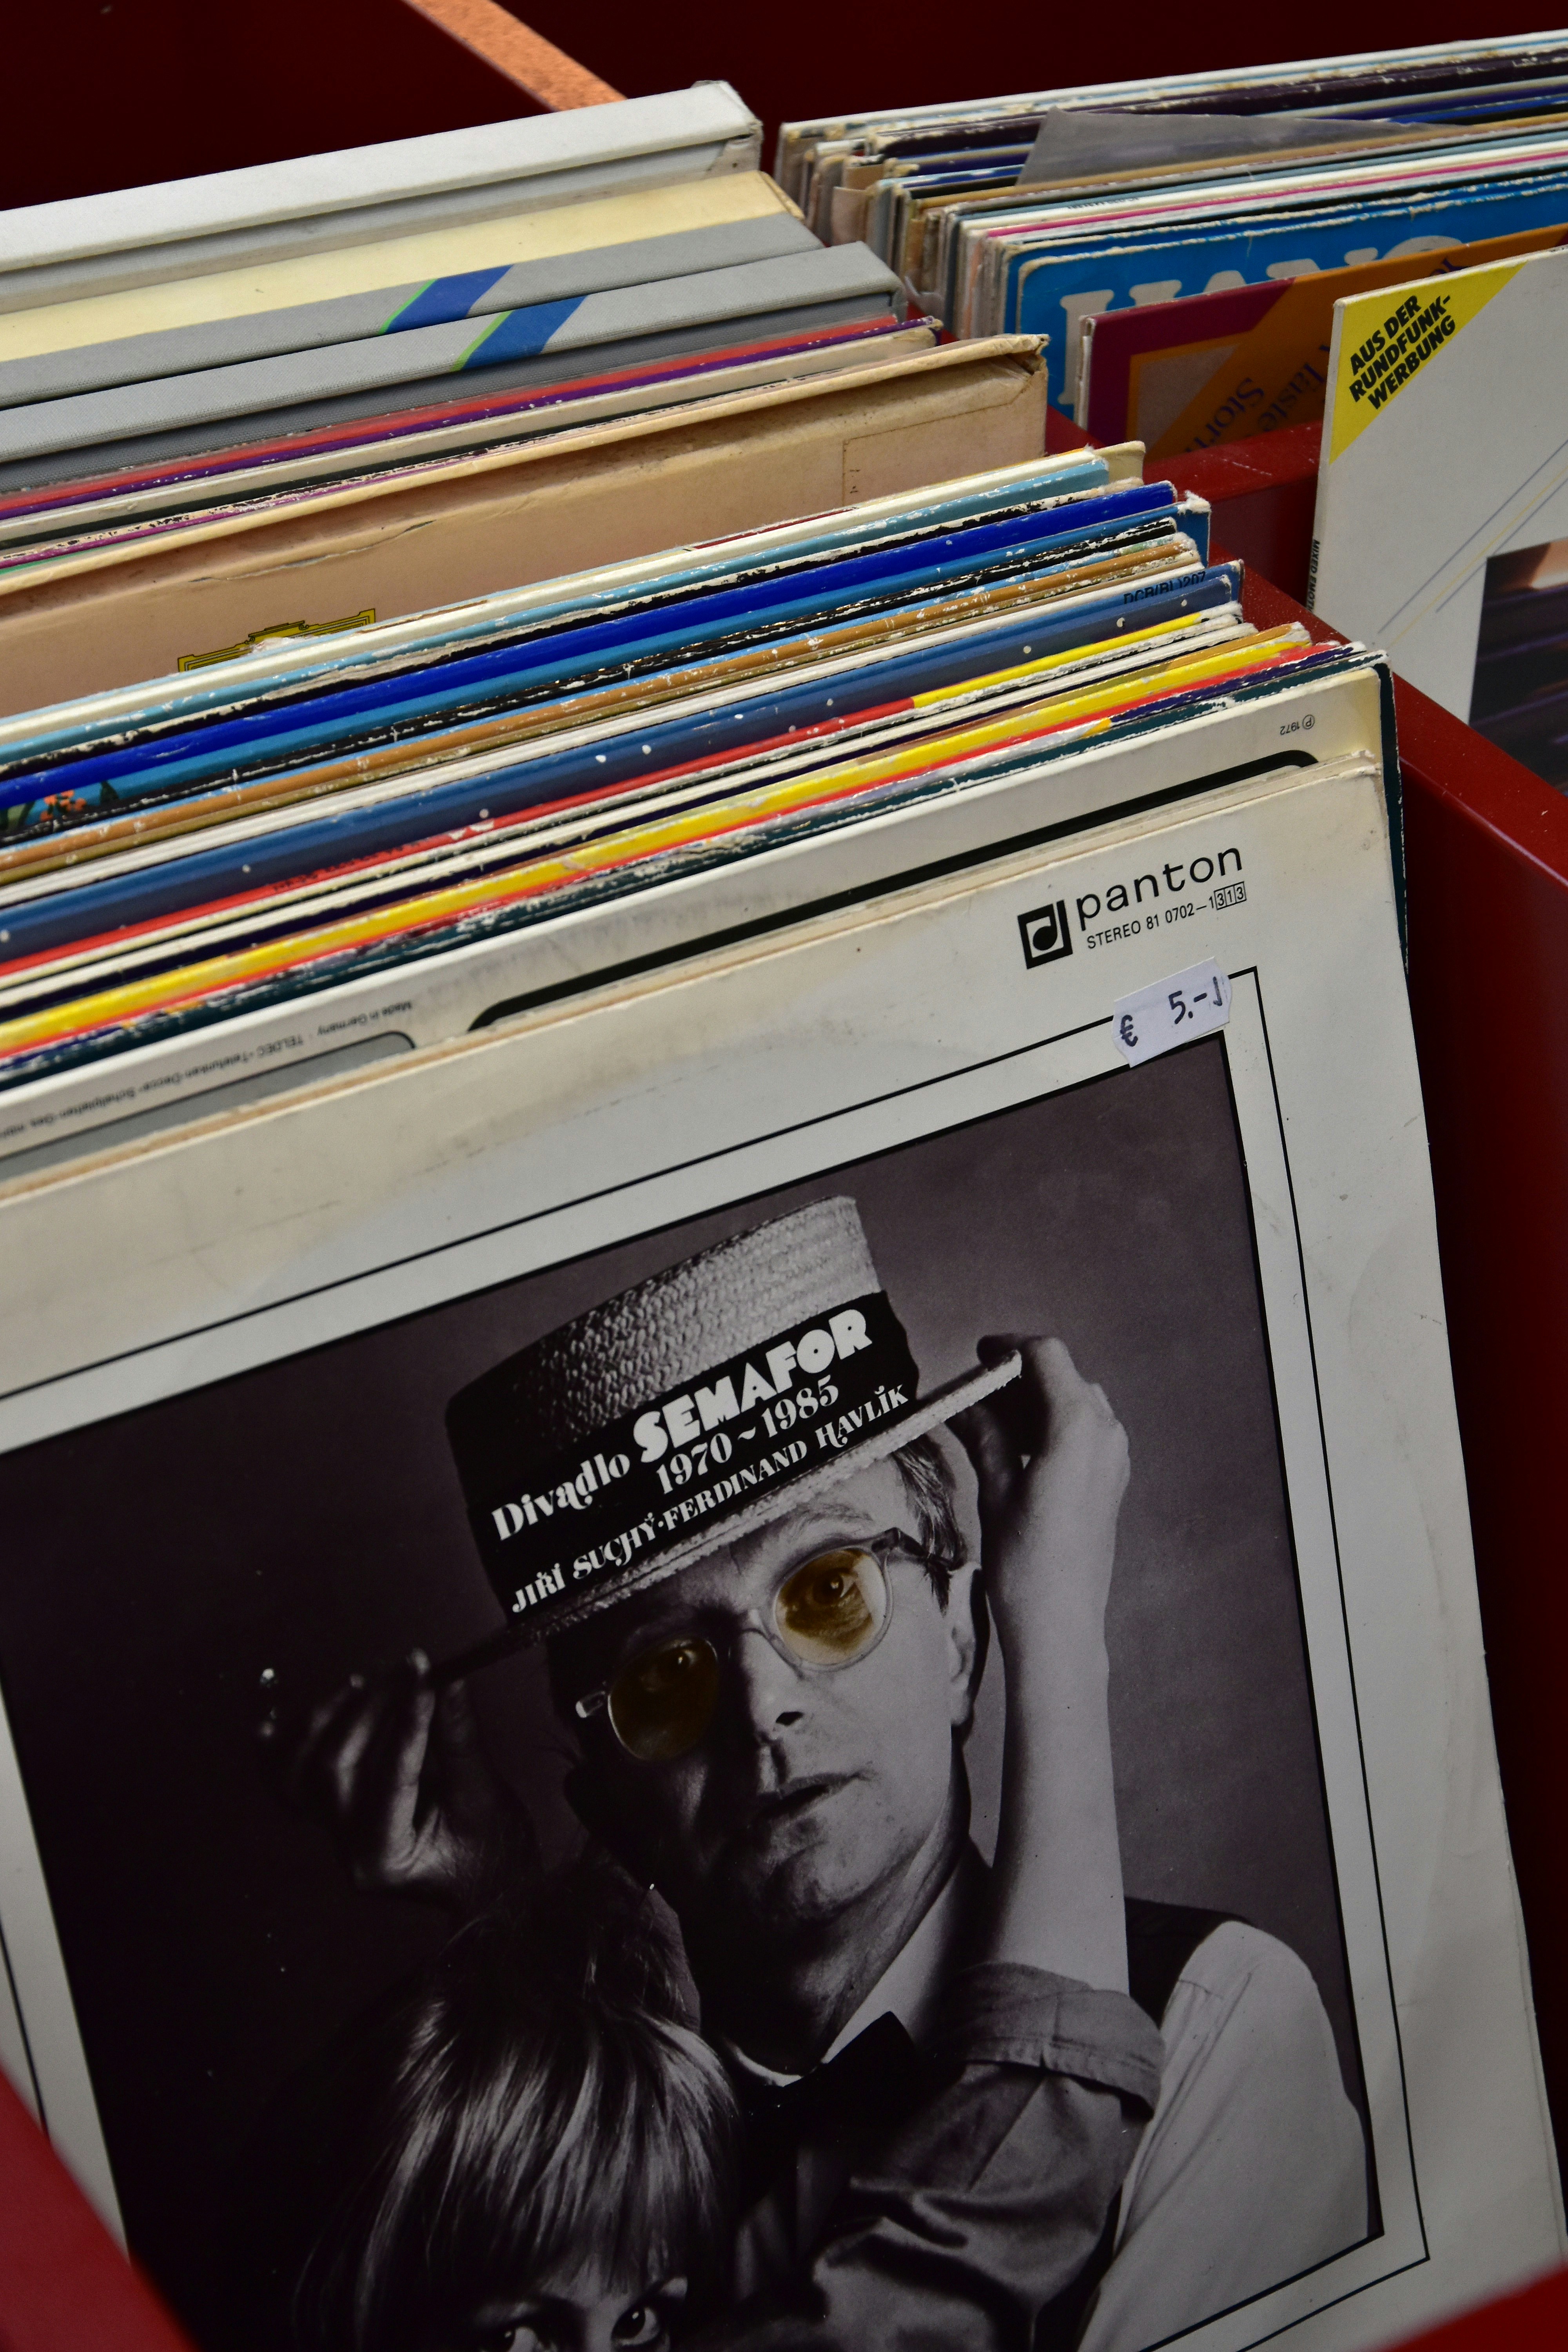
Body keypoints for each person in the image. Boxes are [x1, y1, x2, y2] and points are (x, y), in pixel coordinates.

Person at [278, 1197, 1367, 2350]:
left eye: (830, 1590)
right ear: (601, 1801)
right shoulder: (598, 2125)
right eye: (663, 1678)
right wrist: (505, 1926)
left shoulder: (1211, 2019)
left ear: (962, 1634)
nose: (762, 1700)